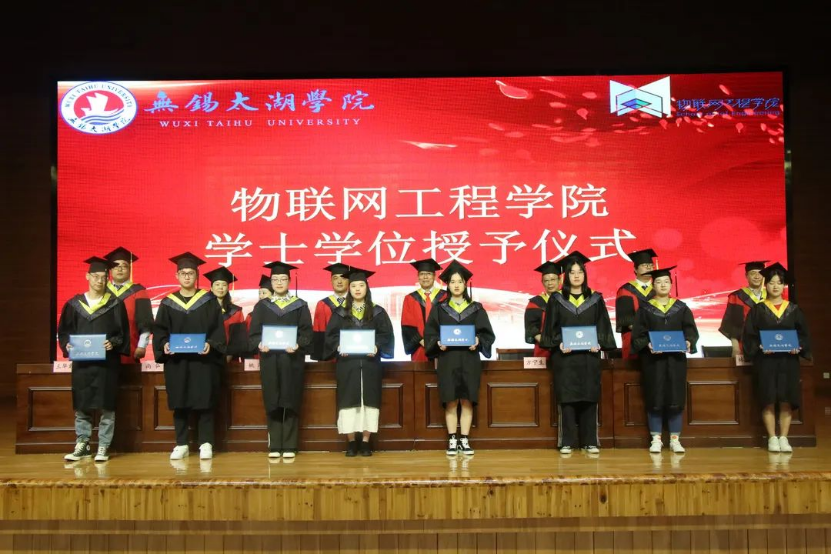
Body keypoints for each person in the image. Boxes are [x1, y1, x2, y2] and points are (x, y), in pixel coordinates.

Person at [152, 252, 226, 461]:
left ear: (197, 275)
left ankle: (206, 443)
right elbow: (160, 331)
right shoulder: (168, 303)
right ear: (177, 276)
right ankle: (181, 443)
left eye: (191, 273)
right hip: (178, 361)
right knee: (180, 401)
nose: (187, 277)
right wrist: (164, 344)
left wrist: (211, 344)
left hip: (203, 361)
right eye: (183, 273)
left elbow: (218, 330)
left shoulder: (209, 301)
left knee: (205, 401)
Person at [541, 251, 616, 455]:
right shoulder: (557, 299)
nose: (576, 276)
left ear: (585, 274)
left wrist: (599, 343)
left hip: (589, 357)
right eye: (572, 272)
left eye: (580, 272)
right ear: (565, 275)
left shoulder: (595, 299)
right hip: (565, 358)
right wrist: (558, 343)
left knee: (589, 397)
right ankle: (567, 441)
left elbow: (603, 326)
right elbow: (550, 330)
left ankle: (590, 441)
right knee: (567, 398)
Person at [59, 257, 129, 463]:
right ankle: (83, 443)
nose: (100, 280)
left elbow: (122, 334)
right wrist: (67, 345)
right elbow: (64, 332)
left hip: (107, 364)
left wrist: (113, 343)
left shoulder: (115, 304)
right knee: (82, 404)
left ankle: (104, 445)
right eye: (96, 276)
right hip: (82, 363)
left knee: (107, 404)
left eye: (104, 277)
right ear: (87, 277)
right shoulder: (74, 305)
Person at [424, 261, 495, 456]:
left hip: (469, 360)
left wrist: (478, 341)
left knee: (467, 400)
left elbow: (487, 334)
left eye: (460, 282)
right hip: (448, 360)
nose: (456, 285)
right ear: (447, 284)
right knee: (450, 400)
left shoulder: (476, 308)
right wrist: (438, 343)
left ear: (465, 284)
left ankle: (464, 438)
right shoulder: (440, 309)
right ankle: (452, 439)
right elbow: (430, 334)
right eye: (453, 282)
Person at [322, 267, 394, 457]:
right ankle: (352, 442)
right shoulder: (340, 313)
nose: (357, 289)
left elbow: (386, 335)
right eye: (354, 286)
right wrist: (338, 346)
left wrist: (377, 346)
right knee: (348, 402)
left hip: (370, 365)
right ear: (349, 288)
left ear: (366, 288)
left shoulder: (377, 312)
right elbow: (330, 337)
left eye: (361, 285)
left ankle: (366, 441)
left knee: (369, 402)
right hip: (347, 365)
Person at [742, 262, 812, 453]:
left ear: (784, 286)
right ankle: (772, 437)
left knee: (786, 399)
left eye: (779, 283)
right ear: (766, 285)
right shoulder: (758, 310)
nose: (775, 286)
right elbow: (749, 336)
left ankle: (784, 438)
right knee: (768, 399)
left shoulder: (794, 309)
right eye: (771, 283)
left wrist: (798, 347)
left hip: (788, 362)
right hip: (766, 362)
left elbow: (804, 335)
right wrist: (759, 346)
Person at [630, 266, 699, 454]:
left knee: (675, 397)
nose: (663, 285)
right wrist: (647, 344)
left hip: (676, 361)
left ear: (671, 284)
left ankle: (675, 439)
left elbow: (690, 331)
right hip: (653, 362)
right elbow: (638, 335)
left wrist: (688, 341)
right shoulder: (645, 309)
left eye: (666, 282)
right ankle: (656, 439)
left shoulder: (681, 308)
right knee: (655, 397)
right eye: (659, 282)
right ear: (653, 285)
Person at [248, 261, 312, 459]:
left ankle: (290, 445)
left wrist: (298, 344)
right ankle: (275, 444)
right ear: (271, 281)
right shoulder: (262, 306)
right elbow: (254, 334)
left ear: (289, 281)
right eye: (275, 279)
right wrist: (260, 344)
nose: (279, 282)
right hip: (269, 359)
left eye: (283, 279)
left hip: (292, 360)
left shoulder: (300, 305)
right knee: (272, 399)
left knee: (290, 400)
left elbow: (307, 332)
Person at [103, 246, 153, 362]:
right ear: (110, 270)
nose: (120, 269)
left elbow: (145, 322)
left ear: (130, 269)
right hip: (103, 348)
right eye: (116, 266)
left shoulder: (139, 291)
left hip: (130, 347)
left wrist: (142, 346)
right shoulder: (102, 291)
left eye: (124, 266)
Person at [401, 258, 447, 362]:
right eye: (422, 274)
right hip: (420, 348)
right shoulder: (410, 298)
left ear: (434, 276)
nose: (425, 277)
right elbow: (407, 325)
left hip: (442, 346)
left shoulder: (445, 296)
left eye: (429, 274)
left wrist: (438, 343)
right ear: (418, 277)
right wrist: (423, 342)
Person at [615, 248, 658, 360]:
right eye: (644, 265)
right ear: (635, 269)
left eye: (651, 265)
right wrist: (648, 335)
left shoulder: (659, 289)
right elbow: (626, 321)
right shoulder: (626, 290)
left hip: (659, 341)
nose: (648, 267)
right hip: (635, 341)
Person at [720, 261, 768, 356]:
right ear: (746, 276)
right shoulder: (737, 297)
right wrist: (735, 347)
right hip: (745, 346)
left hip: (769, 345)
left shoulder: (772, 296)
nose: (757, 276)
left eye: (760, 273)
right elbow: (732, 325)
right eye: (753, 273)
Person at [203, 267, 247, 361]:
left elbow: (238, 338)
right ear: (211, 288)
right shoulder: (203, 309)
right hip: (206, 355)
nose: (220, 287)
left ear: (227, 288)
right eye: (217, 284)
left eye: (224, 284)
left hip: (229, 357)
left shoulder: (236, 312)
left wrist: (230, 354)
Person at [312, 263, 350, 361]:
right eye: (335, 278)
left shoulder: (357, 304)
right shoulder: (322, 304)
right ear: (331, 281)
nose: (339, 281)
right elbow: (319, 332)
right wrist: (321, 358)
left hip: (353, 354)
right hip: (329, 356)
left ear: (349, 280)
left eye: (343, 278)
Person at [524, 261, 562, 360]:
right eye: (546, 280)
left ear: (560, 280)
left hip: (566, 349)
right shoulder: (536, 302)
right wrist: (546, 343)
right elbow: (531, 327)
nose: (550, 283)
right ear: (542, 282)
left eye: (553, 279)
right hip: (543, 349)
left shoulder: (568, 301)